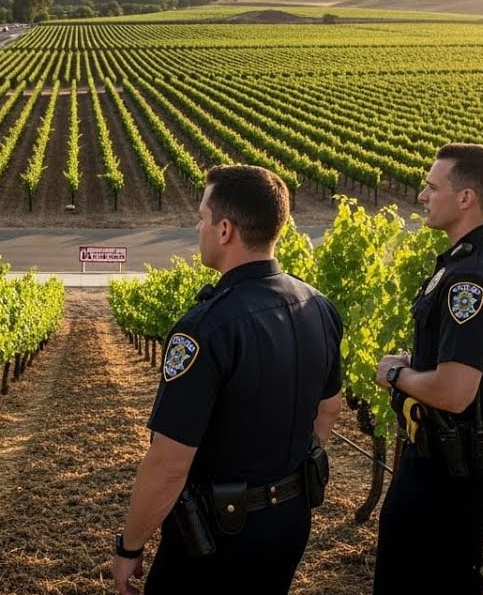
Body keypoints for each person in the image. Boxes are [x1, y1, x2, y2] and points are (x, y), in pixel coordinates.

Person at [113, 164, 344, 595]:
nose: (196, 227)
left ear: (224, 230)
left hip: (218, 536)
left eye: (201, 218)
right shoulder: (319, 306)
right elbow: (329, 409)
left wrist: (130, 547)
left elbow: (168, 465)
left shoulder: (207, 327)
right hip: (291, 521)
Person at [373, 143, 483, 595]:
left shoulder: (471, 278)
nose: (422, 196)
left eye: (432, 187)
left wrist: (394, 374)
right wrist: (420, 363)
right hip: (476, 449)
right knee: (454, 570)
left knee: (408, 576)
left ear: (466, 198)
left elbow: (454, 392)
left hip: (448, 461)